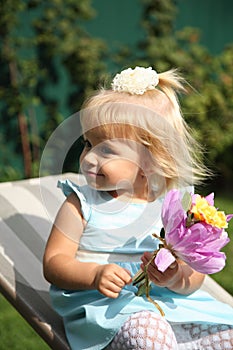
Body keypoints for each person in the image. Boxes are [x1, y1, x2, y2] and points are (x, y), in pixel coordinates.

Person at [43, 66, 233, 350]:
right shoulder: (81, 203)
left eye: (106, 150)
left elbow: (194, 276)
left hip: (172, 306)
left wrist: (176, 277)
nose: (89, 158)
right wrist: (94, 275)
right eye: (87, 144)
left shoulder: (173, 205)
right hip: (108, 310)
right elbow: (54, 262)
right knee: (148, 333)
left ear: (151, 162)